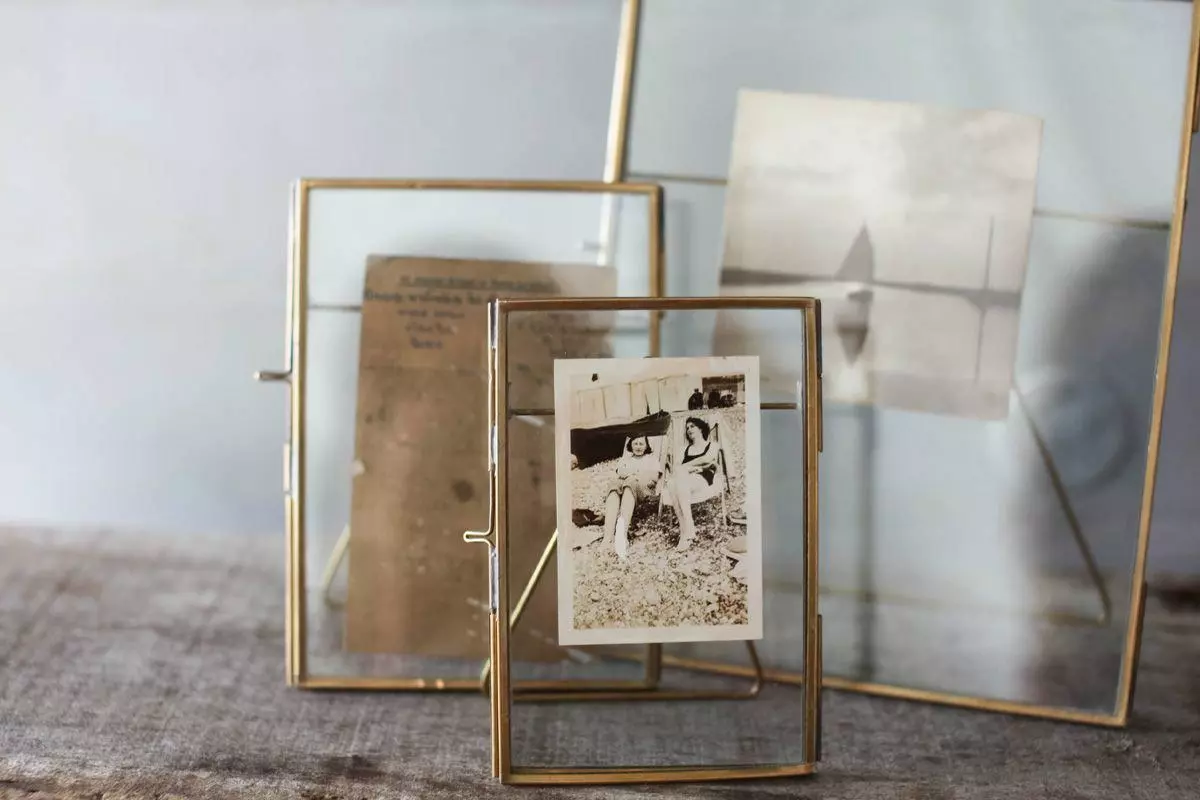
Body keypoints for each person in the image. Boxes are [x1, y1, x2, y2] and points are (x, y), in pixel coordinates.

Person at [603, 435, 662, 561]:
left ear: (646, 446)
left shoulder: (651, 459)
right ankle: (607, 537)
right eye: (635, 444)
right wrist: (635, 473)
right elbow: (620, 472)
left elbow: (654, 477)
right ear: (630, 445)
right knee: (613, 484)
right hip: (627, 484)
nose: (638, 447)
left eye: (641, 444)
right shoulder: (626, 459)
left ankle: (622, 535)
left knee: (630, 482)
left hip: (644, 488)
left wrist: (633, 474)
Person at [666, 416, 720, 551]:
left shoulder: (712, 445)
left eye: (692, 426)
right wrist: (692, 468)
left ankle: (687, 529)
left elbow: (708, 459)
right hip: (685, 480)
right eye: (687, 428)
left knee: (677, 480)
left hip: (702, 478)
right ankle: (685, 530)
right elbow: (676, 468)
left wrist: (687, 467)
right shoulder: (683, 449)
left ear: (701, 428)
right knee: (672, 483)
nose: (689, 430)